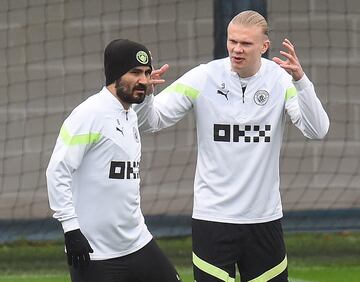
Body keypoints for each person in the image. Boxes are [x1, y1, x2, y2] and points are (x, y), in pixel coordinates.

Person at [134, 10, 330, 282]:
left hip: (264, 220)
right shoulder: (203, 77)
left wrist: (301, 82)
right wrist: (146, 98)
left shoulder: (281, 80)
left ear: (264, 46)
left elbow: (317, 130)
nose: (237, 49)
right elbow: (150, 122)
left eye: (246, 44)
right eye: (232, 41)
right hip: (213, 219)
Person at [46, 39, 181, 282]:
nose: (144, 79)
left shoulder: (129, 112)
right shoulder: (89, 115)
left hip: (137, 242)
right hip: (95, 252)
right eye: (135, 72)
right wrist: (71, 229)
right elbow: (57, 172)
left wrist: (148, 95)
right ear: (115, 75)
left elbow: (150, 121)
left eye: (147, 73)